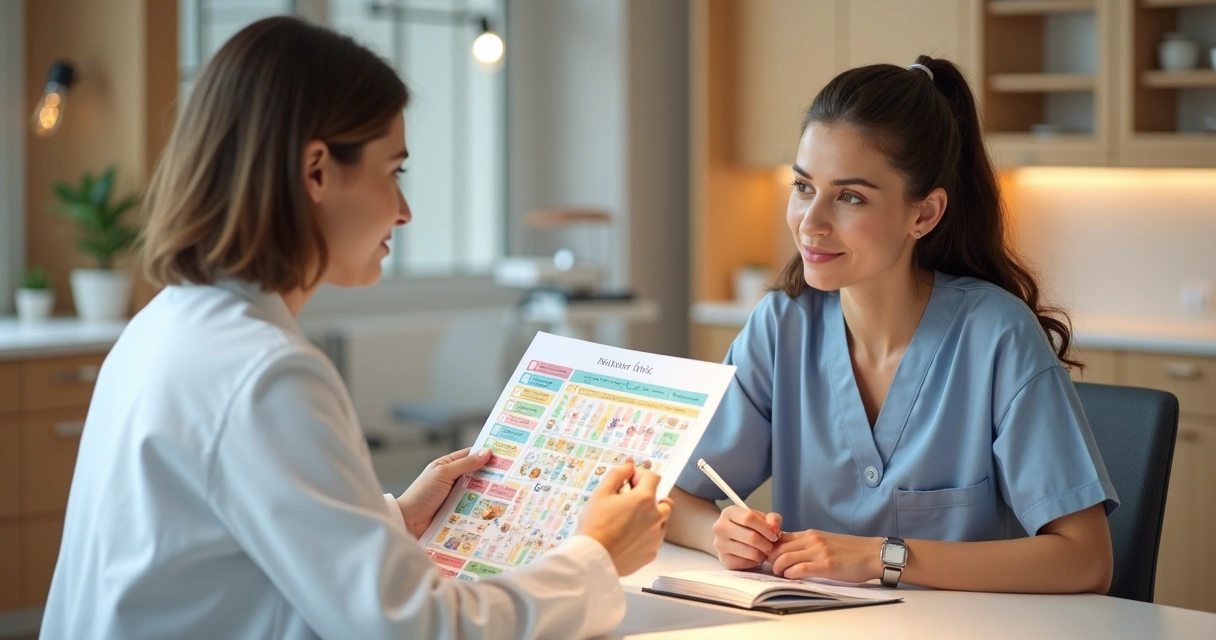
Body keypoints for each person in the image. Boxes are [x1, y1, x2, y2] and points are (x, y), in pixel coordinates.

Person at [41, 17, 670, 639]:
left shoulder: (170, 322)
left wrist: (392, 519)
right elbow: (417, 630)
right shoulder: (266, 372)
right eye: (393, 171)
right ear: (316, 170)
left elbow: (238, 542)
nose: (404, 211)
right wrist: (597, 555)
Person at [666, 56, 1118, 594]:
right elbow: (671, 496)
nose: (810, 223)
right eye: (804, 186)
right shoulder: (782, 326)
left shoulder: (996, 336)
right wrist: (719, 532)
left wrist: (883, 557)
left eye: (850, 197)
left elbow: (1085, 560)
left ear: (924, 215)